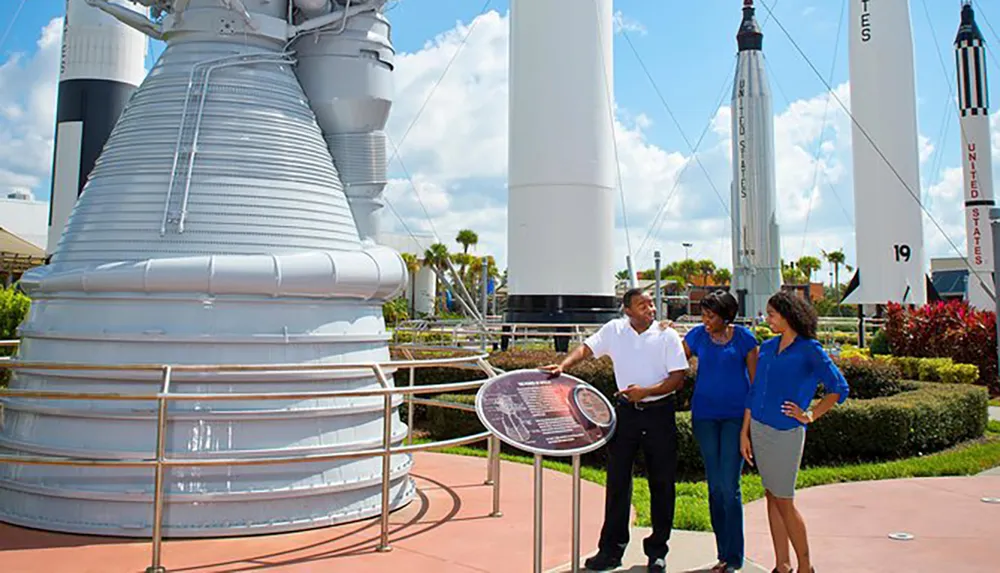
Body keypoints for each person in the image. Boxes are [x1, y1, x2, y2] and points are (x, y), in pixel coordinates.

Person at [540, 288, 688, 573]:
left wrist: (645, 392)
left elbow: (678, 378)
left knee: (662, 483)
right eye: (642, 305)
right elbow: (587, 348)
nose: (650, 309)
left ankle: (658, 551)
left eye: (650, 304)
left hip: (659, 415)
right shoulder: (614, 330)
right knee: (618, 482)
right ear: (627, 310)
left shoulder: (666, 335)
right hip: (625, 415)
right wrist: (563, 365)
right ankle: (610, 550)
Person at [741, 291, 849, 573]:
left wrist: (810, 414)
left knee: (785, 500)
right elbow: (755, 392)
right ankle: (782, 565)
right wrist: (745, 432)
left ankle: (805, 567)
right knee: (771, 496)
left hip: (787, 432)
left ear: (788, 316)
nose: (768, 319)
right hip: (760, 428)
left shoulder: (809, 349)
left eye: (772, 314)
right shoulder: (766, 347)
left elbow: (839, 388)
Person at [682, 291, 759, 573]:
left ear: (726, 318)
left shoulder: (745, 339)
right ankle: (723, 555)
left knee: (729, 487)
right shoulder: (698, 336)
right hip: (704, 417)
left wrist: (747, 430)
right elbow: (673, 361)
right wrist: (663, 333)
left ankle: (734, 557)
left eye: (710, 316)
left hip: (735, 419)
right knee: (715, 488)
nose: (705, 320)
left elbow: (755, 384)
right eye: (703, 315)